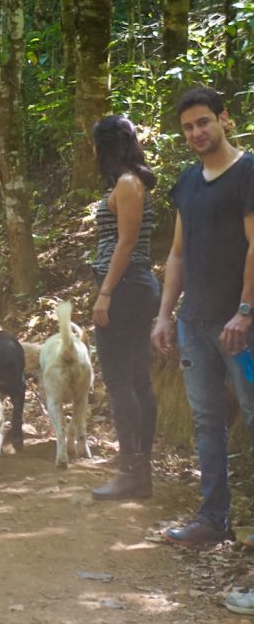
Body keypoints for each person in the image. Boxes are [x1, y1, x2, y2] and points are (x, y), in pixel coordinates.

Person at [151, 85, 254, 547]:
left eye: (203, 122)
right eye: (188, 127)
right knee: (207, 422)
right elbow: (177, 255)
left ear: (224, 118)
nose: (196, 132)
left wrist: (246, 311)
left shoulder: (247, 173)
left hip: (241, 329)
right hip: (195, 324)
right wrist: (164, 315)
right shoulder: (188, 182)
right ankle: (213, 519)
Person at [89, 115, 160, 501]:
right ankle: (138, 472)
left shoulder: (128, 183)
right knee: (135, 381)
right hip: (131, 288)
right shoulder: (128, 182)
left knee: (122, 382)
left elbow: (127, 244)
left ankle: (132, 471)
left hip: (127, 289)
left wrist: (105, 292)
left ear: (106, 147)